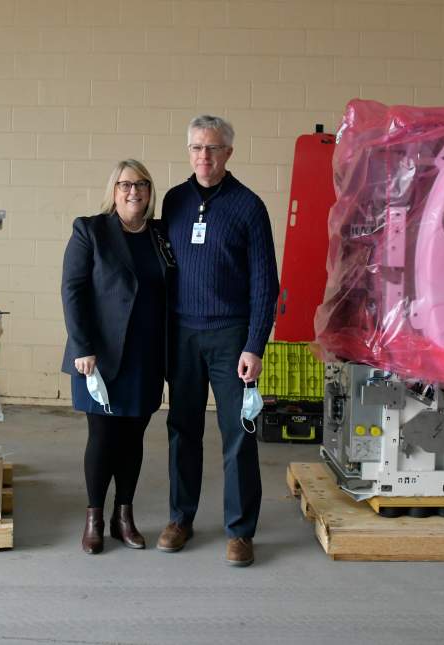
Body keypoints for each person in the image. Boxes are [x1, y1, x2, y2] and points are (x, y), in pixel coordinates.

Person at [158, 115, 278, 567]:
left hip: (231, 339)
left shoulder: (249, 207)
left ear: (228, 152)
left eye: (211, 148)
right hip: (183, 335)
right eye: (195, 148)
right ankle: (180, 519)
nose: (202, 156)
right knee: (182, 431)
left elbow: (265, 284)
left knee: (239, 435)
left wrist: (255, 345)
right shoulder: (173, 201)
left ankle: (240, 531)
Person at [61, 159, 174, 555]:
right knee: (103, 437)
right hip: (101, 357)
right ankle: (94, 518)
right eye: (125, 184)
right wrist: (82, 346)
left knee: (134, 438)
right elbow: (73, 291)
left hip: (147, 354)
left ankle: (123, 516)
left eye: (141, 184)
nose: (133, 192)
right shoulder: (90, 230)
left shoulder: (161, 234)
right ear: (114, 190)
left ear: (149, 191)